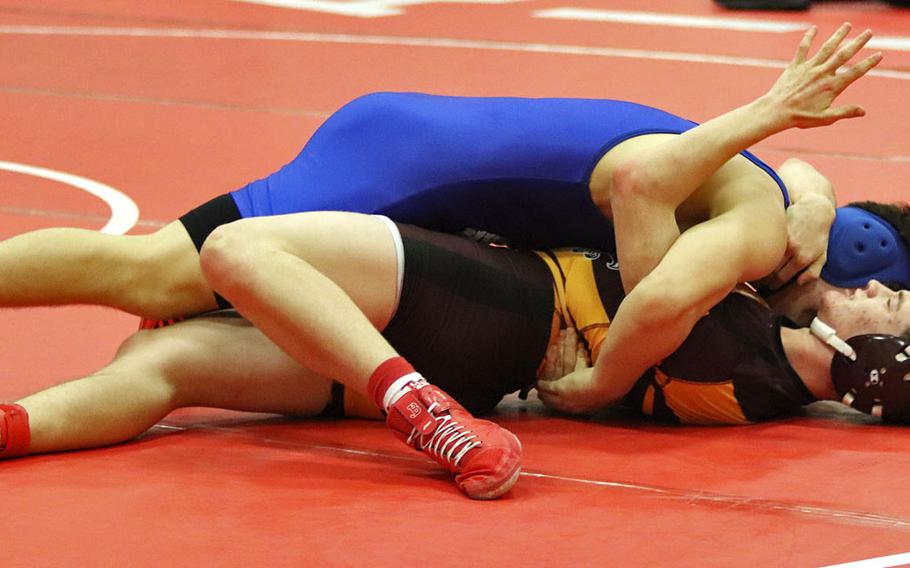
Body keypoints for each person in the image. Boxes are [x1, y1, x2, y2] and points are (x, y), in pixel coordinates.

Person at [0, 25, 889, 362]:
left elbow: (811, 181)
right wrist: (616, 366)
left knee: (174, 275)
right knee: (155, 273)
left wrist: (798, 177)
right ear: (832, 265)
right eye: (878, 292)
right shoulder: (758, 223)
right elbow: (645, 251)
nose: (873, 306)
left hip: (412, 145)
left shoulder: (789, 198)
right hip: (407, 166)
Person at [2, 213, 909, 493]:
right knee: (166, 367)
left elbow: (650, 223)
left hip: (490, 304)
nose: (873, 286)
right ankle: (15, 427)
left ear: (873, 365)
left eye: (891, 305)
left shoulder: (753, 344)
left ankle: (414, 405)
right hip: (481, 365)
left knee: (229, 254)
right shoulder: (764, 379)